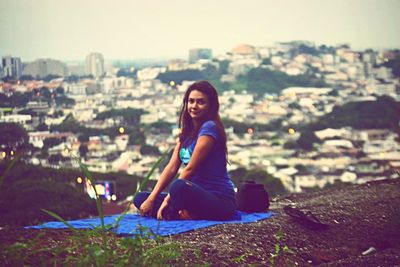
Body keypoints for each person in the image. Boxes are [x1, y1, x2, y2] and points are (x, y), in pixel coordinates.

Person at [133, 80, 236, 220]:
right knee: (141, 198)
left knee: (178, 187)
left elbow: (190, 169)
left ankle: (179, 212)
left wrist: (166, 200)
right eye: (191, 101)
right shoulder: (187, 132)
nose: (194, 106)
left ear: (211, 105)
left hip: (219, 200)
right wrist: (152, 198)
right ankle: (184, 213)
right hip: (193, 196)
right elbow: (171, 167)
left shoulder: (210, 128)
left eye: (201, 102)